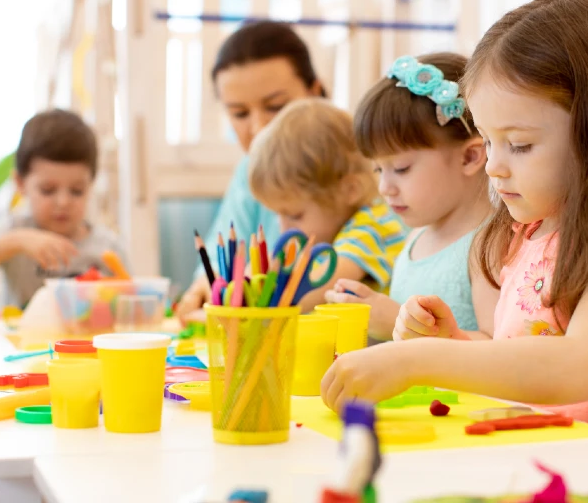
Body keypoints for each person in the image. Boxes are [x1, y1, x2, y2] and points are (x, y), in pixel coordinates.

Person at [320, 0, 588, 426]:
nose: (493, 164)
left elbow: (577, 368)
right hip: (525, 453)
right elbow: (513, 359)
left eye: (520, 145)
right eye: (489, 141)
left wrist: (421, 359)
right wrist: (454, 342)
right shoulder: (528, 236)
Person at [325, 52, 497, 340]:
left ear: (469, 157)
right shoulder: (415, 236)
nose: (384, 187)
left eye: (401, 168)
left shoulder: (488, 246)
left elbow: (498, 349)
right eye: (379, 169)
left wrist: (396, 321)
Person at [177, 21, 325, 317]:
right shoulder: (248, 172)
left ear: (314, 92)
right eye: (239, 113)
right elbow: (218, 266)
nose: (259, 127)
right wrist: (202, 290)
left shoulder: (356, 168)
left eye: (275, 106)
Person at [0, 109, 129, 308]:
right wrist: (17, 241)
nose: (63, 202)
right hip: (22, 339)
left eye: (77, 191)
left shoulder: (106, 246)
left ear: (91, 185)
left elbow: (130, 302)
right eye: (48, 190)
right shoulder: (15, 231)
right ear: (20, 183)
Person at [249, 98, 406, 311]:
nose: (284, 227)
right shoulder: (327, 235)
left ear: (349, 190)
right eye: (278, 215)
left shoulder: (372, 226)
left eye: (295, 215)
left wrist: (258, 291)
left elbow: (315, 292)